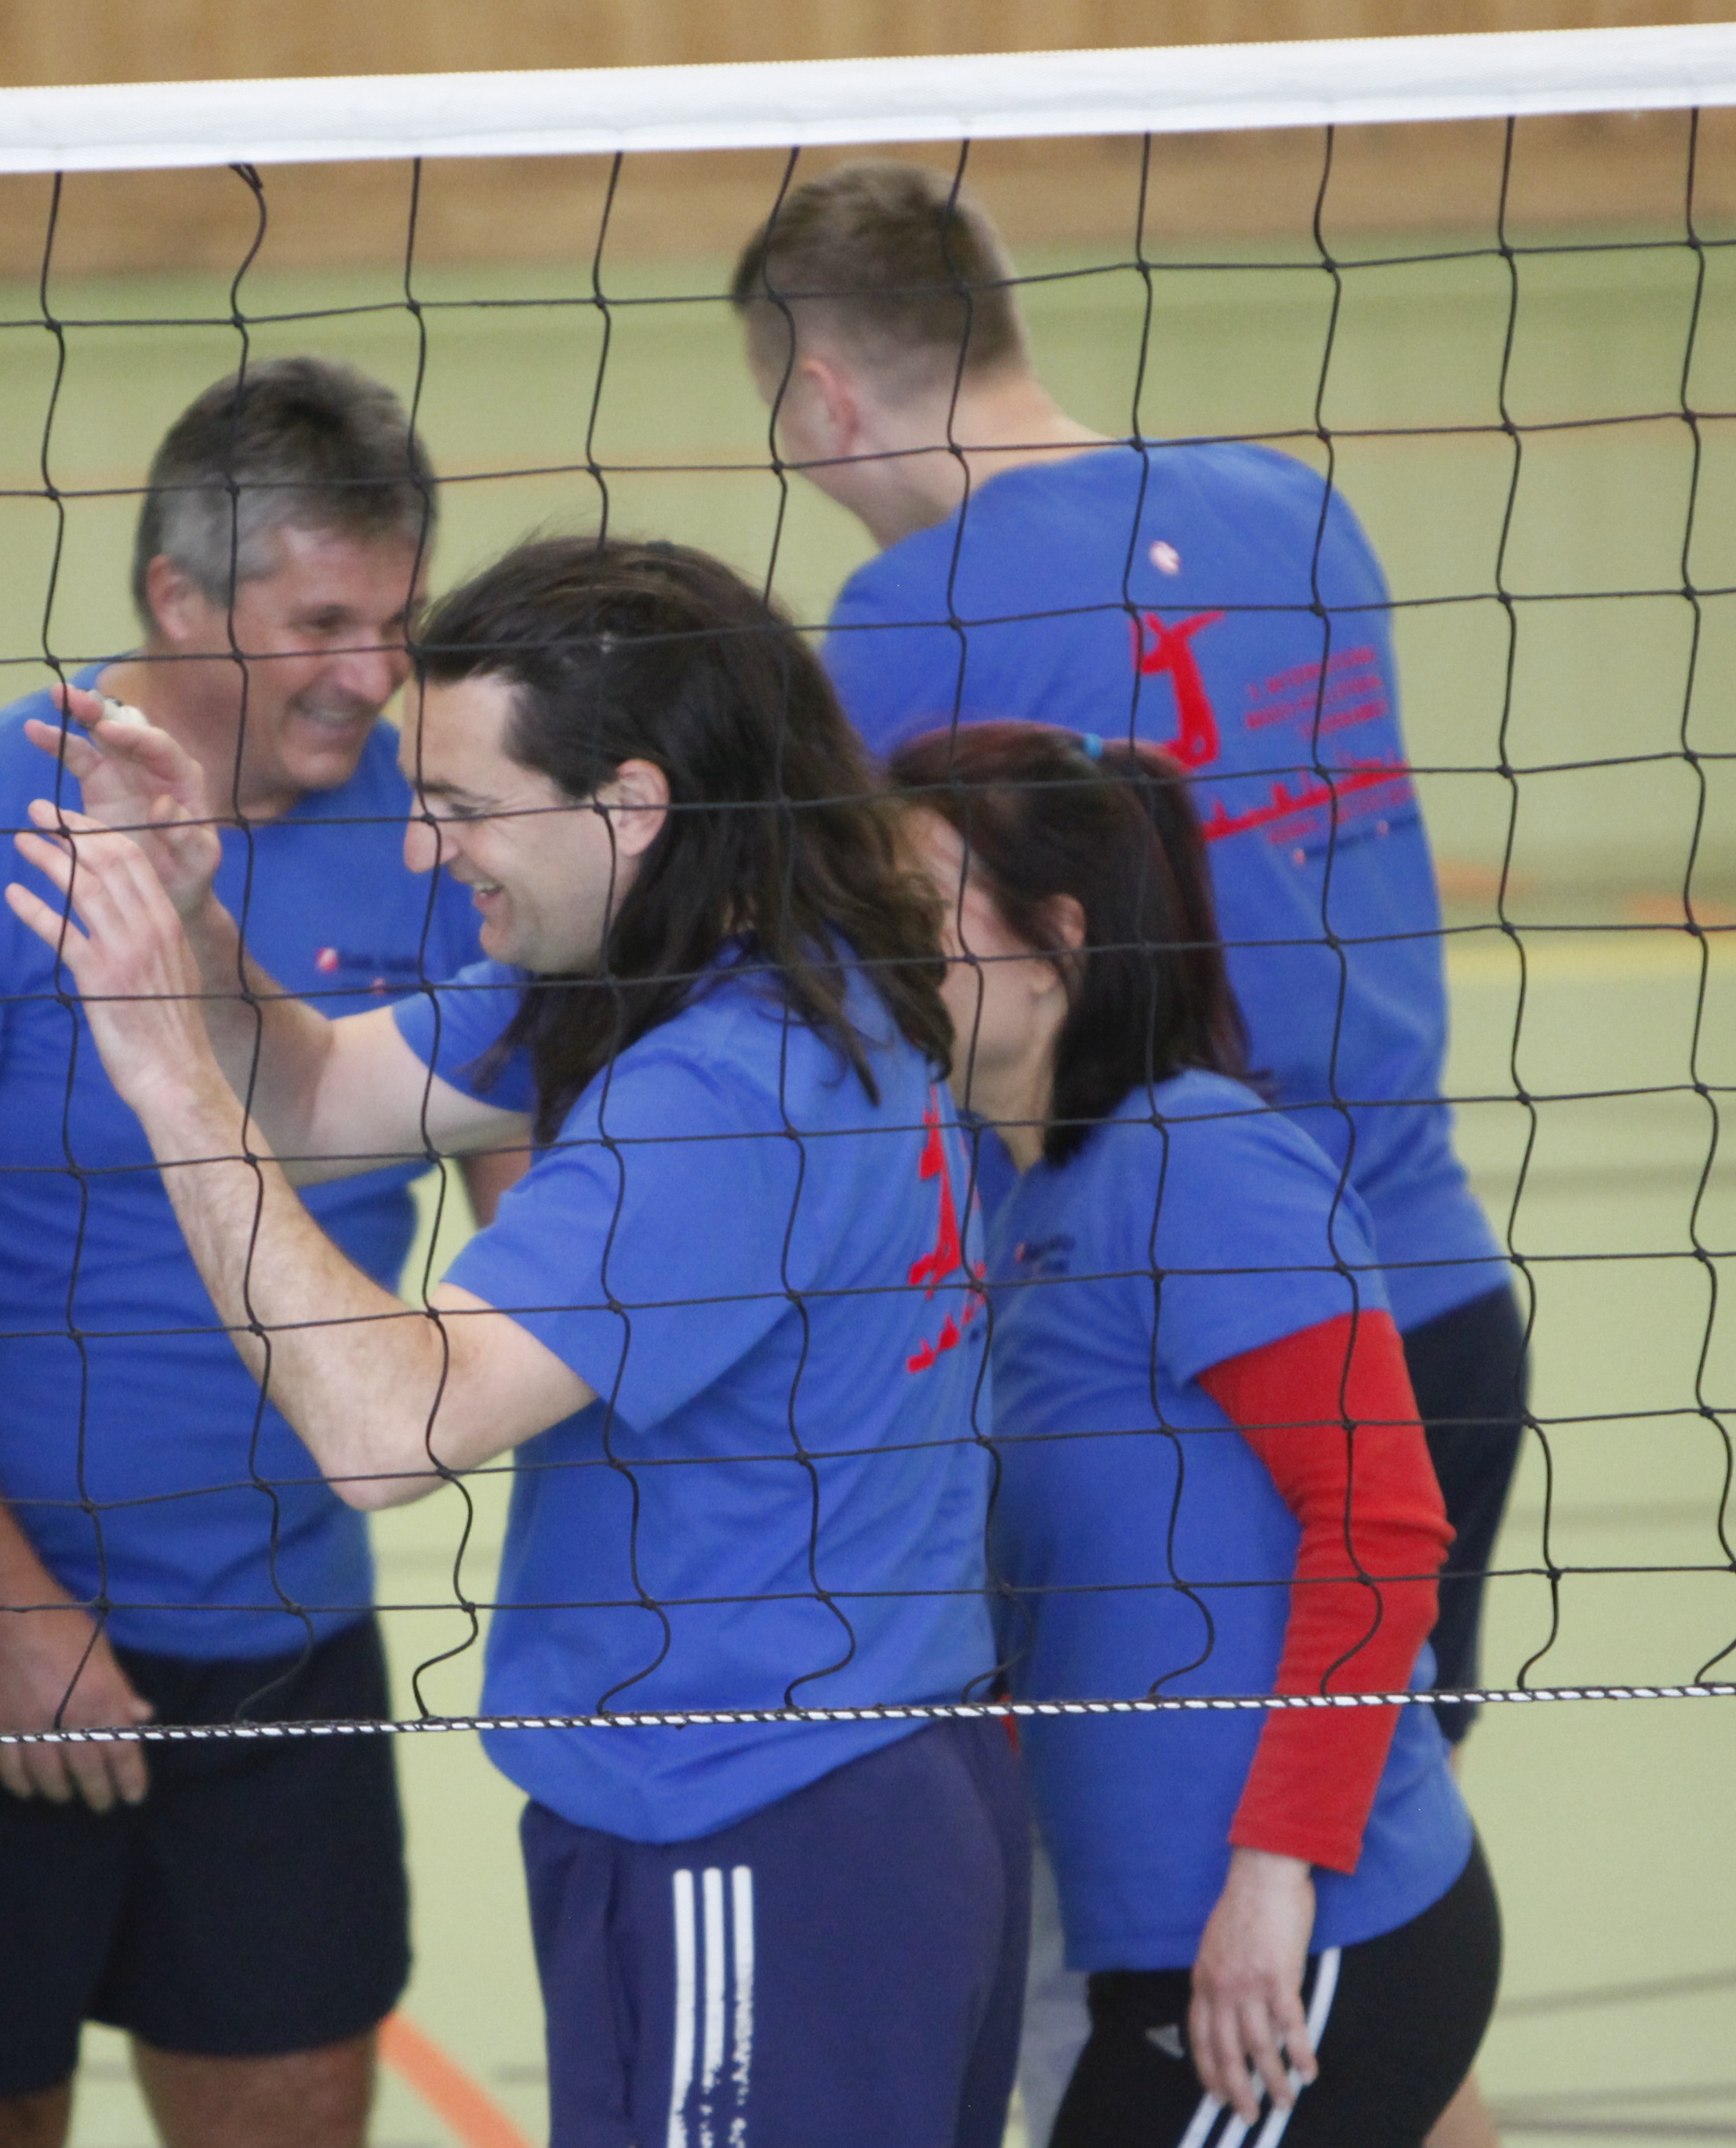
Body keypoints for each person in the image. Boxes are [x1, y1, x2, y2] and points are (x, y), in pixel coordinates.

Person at [5, 534, 1026, 2148]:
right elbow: (318, 1097)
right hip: (819, 1782)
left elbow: (381, 1429)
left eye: (463, 805)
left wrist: (161, 1077)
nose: (422, 847)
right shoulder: (702, 962)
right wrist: (195, 919)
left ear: (630, 805)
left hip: (759, 1818)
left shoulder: (721, 1091)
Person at [0, 357, 497, 2148]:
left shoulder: (435, 830)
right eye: (319, 624)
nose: (370, 674)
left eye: (395, 623)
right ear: (175, 597)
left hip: (284, 1635)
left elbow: (533, 1198)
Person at [732, 162, 1526, 1757]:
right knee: (1362, 1848)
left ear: (819, 395)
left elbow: (816, 992)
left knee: (1173, 1877)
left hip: (1171, 1367)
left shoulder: (909, 618)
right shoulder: (1298, 512)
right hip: (1436, 1310)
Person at [890, 721, 1498, 2144]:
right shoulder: (1025, 1208)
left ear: (1056, 942)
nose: (882, 949)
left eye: (916, 910)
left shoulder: (1197, 1155)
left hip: (1303, 1938)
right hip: (1157, 1938)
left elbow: (1382, 1523)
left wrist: (1278, 1877)